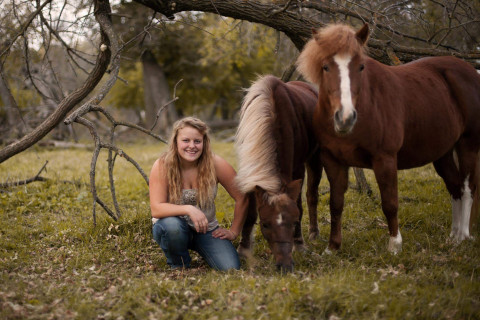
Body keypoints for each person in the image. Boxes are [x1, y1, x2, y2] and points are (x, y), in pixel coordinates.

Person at [149, 117, 248, 271]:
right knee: (171, 226)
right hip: (173, 228)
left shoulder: (215, 164)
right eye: (186, 140)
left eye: (197, 141)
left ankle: (204, 247)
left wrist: (234, 231)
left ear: (204, 142)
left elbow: (242, 197)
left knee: (230, 268)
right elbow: (156, 208)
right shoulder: (163, 165)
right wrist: (189, 209)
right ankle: (179, 264)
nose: (192, 146)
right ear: (176, 142)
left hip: (206, 231)